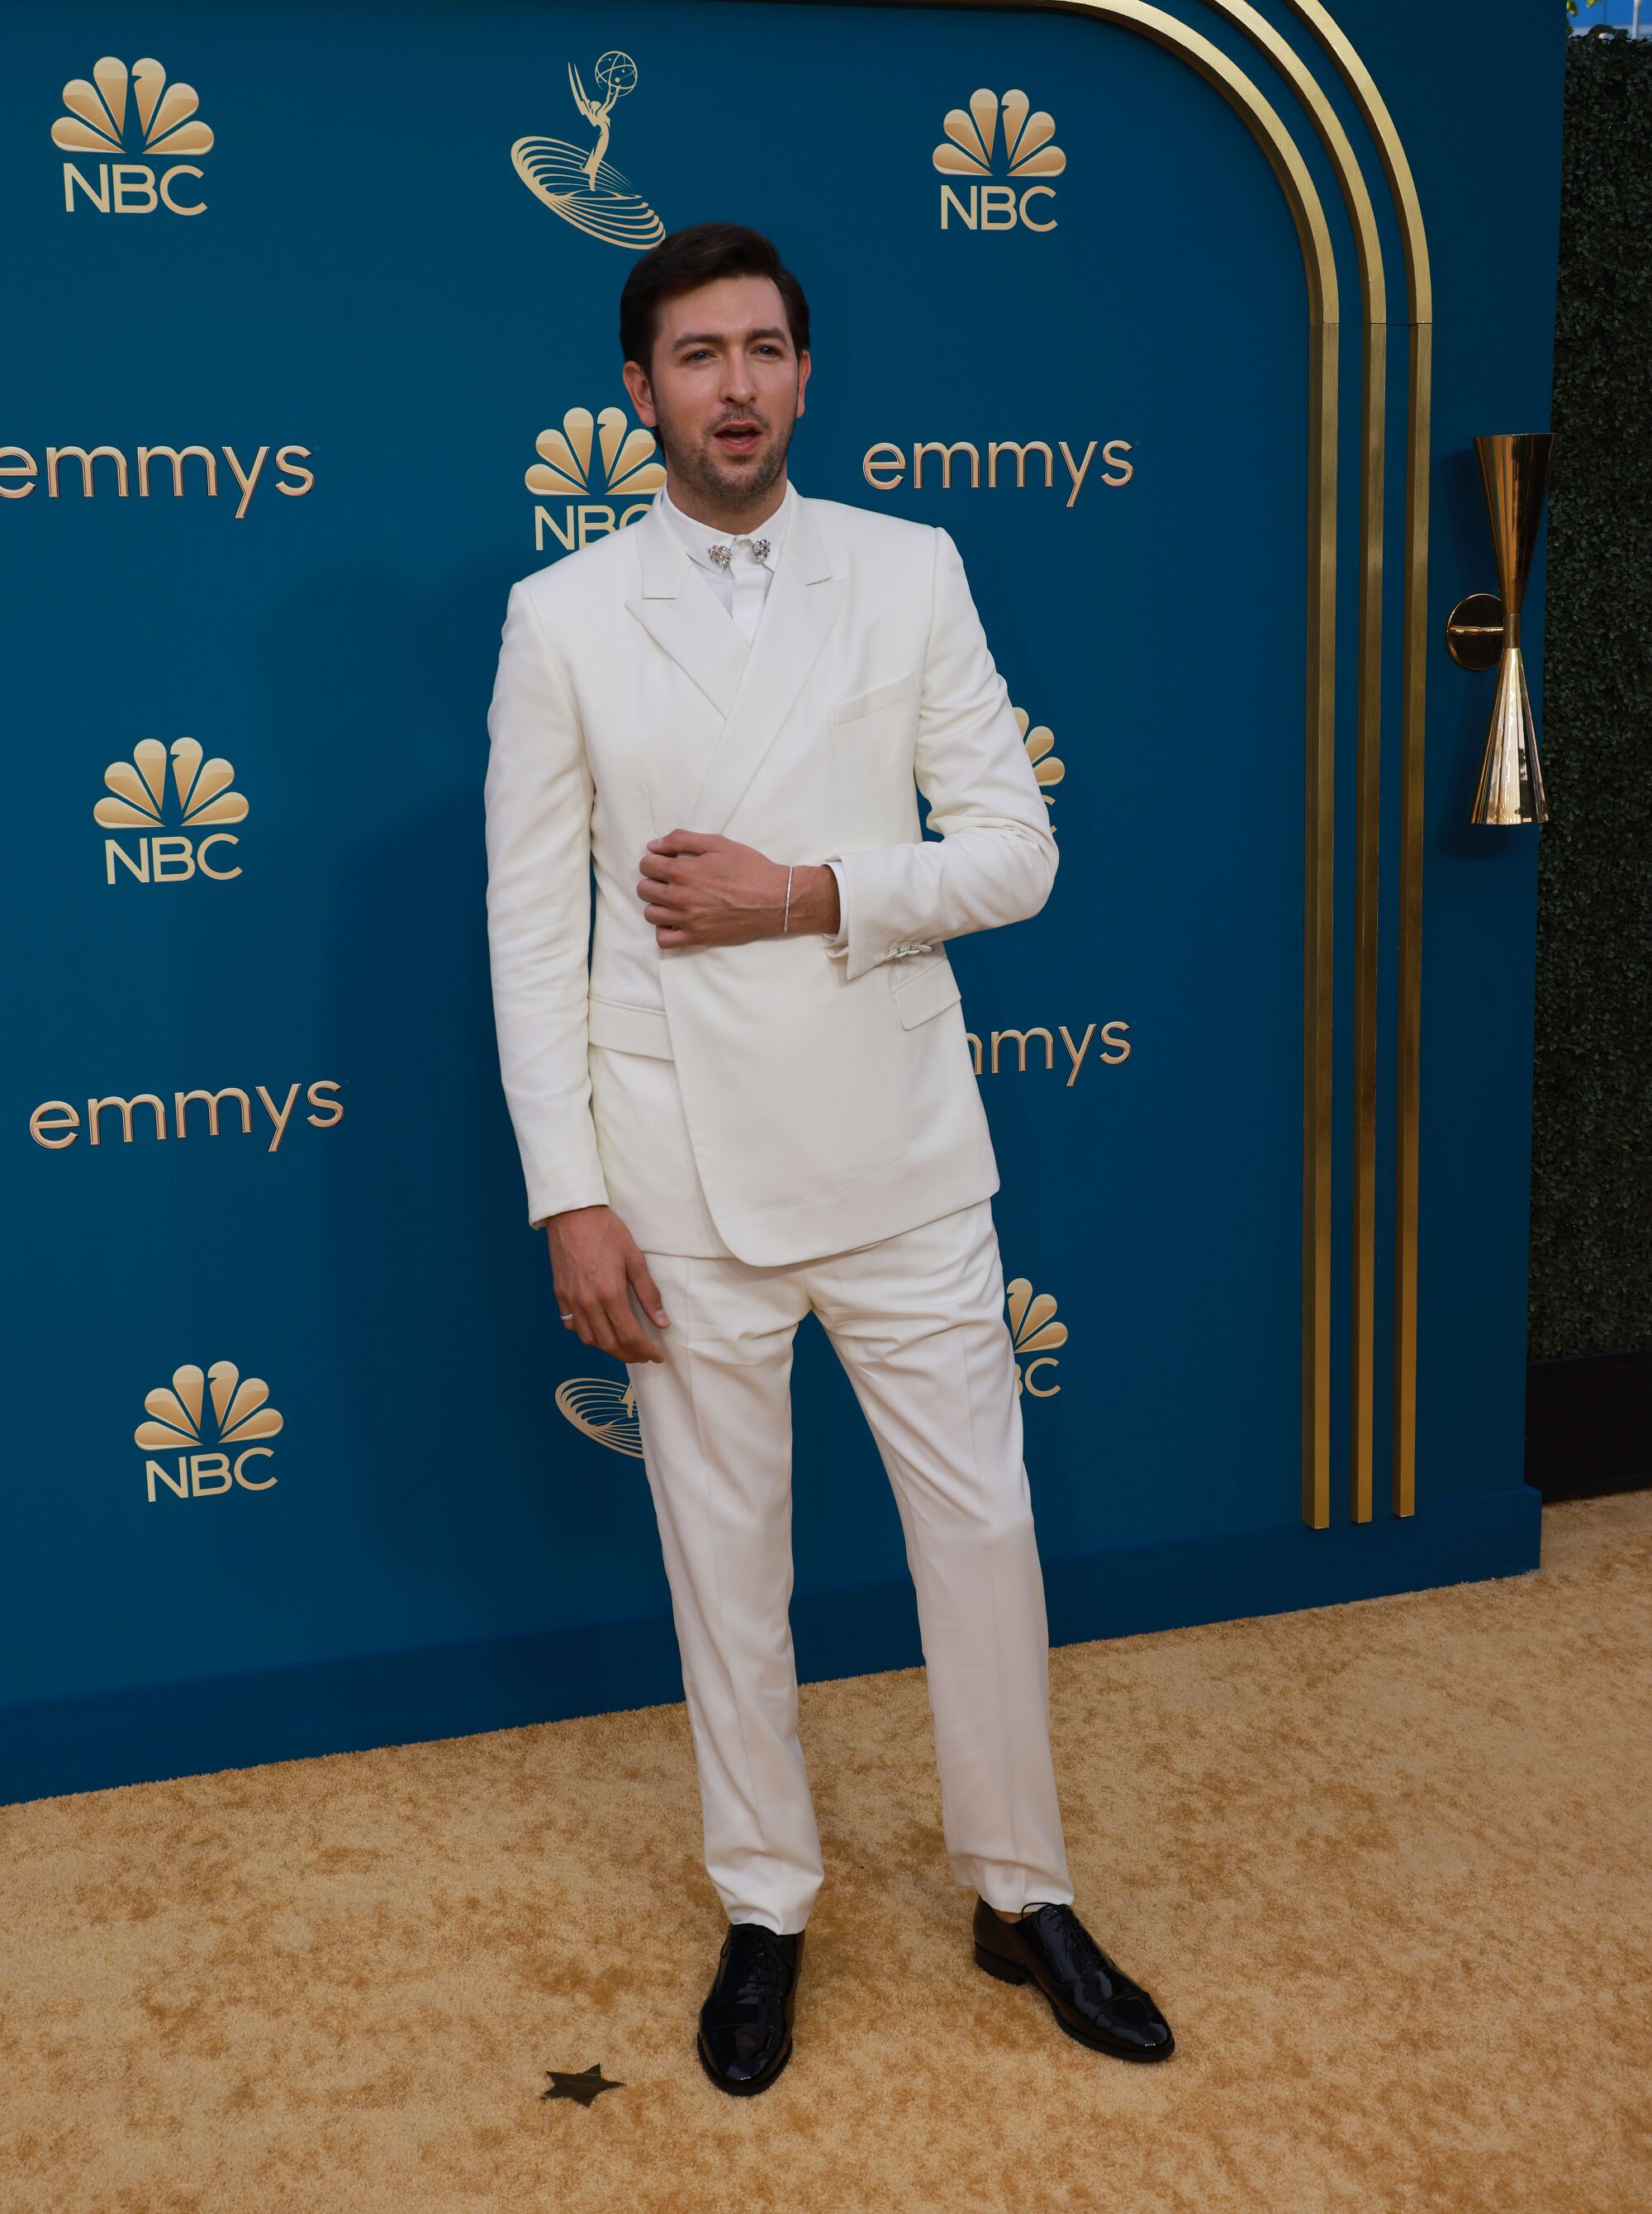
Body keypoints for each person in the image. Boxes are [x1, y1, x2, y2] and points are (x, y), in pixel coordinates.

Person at [483, 222, 1174, 2093]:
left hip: (899, 1151)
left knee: (983, 1531)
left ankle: (1019, 1888)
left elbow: (1016, 851)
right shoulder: (560, 617)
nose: (733, 383)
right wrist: (572, 1189)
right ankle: (765, 1899)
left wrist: (801, 894)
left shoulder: (913, 567)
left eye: (763, 348)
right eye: (694, 354)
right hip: (676, 1172)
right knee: (728, 1563)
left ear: (805, 373)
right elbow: (531, 932)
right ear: (638, 391)